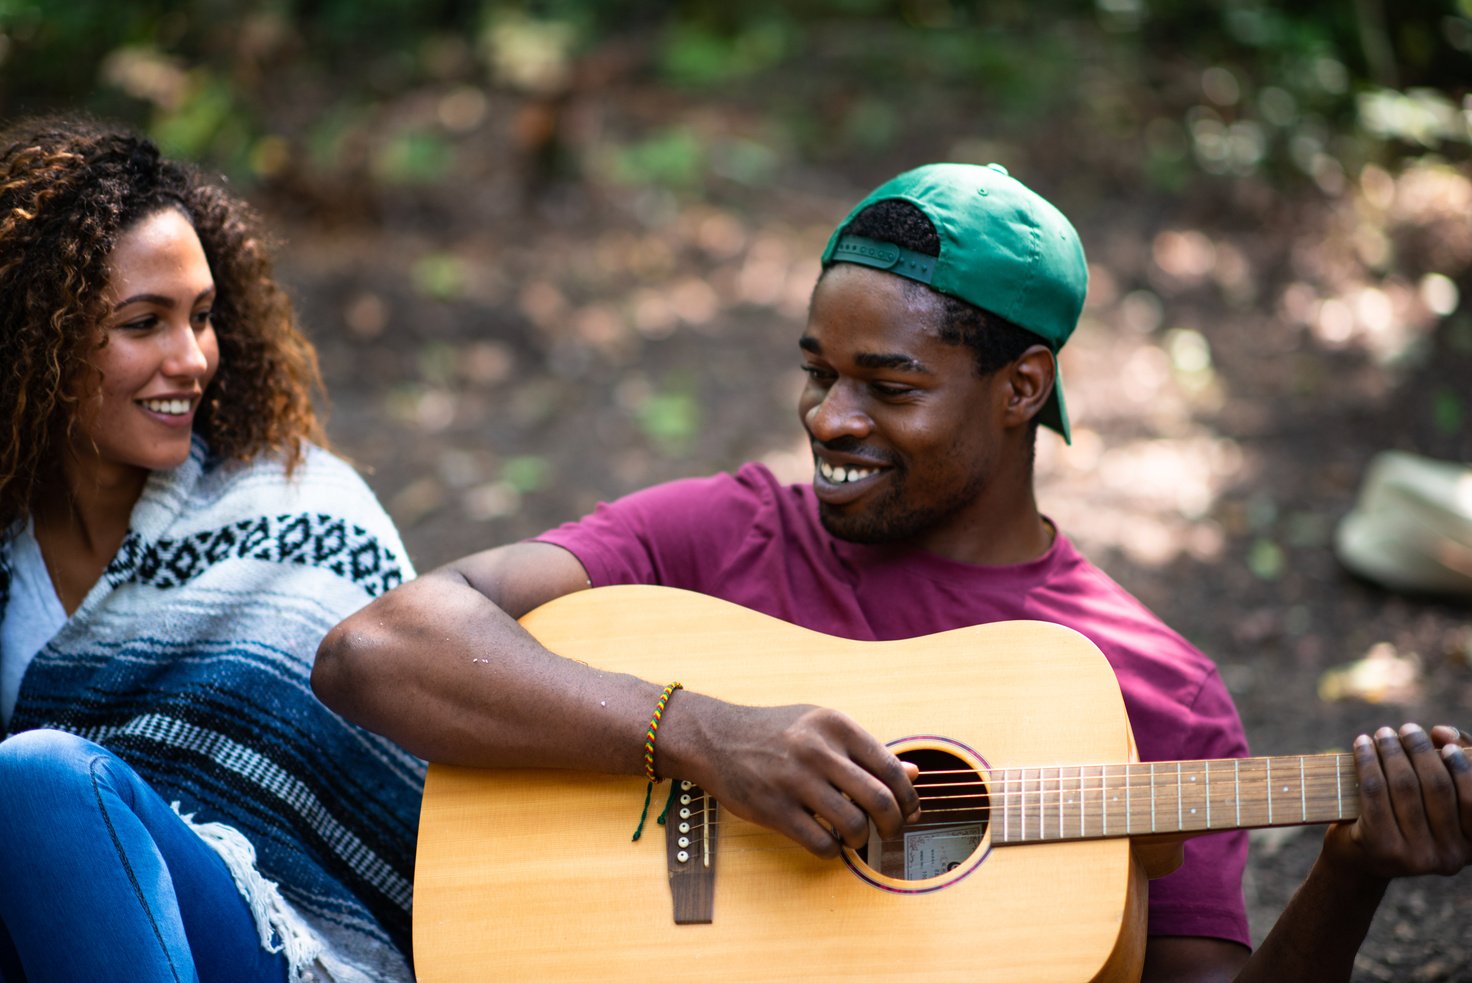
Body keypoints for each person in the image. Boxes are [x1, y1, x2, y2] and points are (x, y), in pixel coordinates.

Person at [313, 163, 1472, 980]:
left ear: (1019, 387)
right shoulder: (722, 535)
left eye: (888, 384)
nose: (828, 416)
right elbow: (375, 650)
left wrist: (1351, 874)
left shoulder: (1150, 688)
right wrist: (705, 733)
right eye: (817, 371)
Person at [0, 117, 422, 983]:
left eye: (201, 317)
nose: (191, 358)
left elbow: (416, 797)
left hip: (292, 945)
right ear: (32, 337)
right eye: (144, 322)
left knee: (42, 781)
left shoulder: (301, 509)